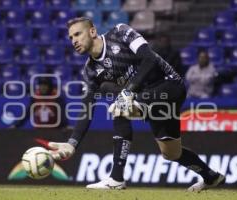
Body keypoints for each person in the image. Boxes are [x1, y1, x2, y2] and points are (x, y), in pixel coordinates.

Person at [46, 17, 225, 192]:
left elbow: (149, 59)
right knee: (171, 153)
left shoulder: (120, 33)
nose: (74, 41)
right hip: (148, 99)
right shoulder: (91, 70)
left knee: (119, 108)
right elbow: (87, 106)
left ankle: (116, 179)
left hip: (169, 86)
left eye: (78, 34)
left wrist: (129, 91)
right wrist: (72, 143)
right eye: (71, 38)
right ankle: (211, 177)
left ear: (92, 31)